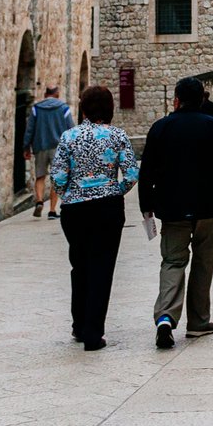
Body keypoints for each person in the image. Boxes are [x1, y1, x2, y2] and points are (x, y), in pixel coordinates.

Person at [139, 77, 213, 351]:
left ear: (176, 100)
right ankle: (198, 322)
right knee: (203, 261)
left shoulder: (160, 128)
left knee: (172, 262)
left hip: (172, 210)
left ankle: (165, 317)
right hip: (209, 209)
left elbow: (146, 171)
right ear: (201, 100)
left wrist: (146, 205)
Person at [49, 85, 138, 351]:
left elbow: (58, 177)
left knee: (80, 265)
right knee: (102, 267)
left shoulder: (69, 137)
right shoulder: (117, 136)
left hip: (75, 210)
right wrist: (114, 190)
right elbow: (132, 174)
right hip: (108, 208)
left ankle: (79, 325)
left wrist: (70, 194)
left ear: (84, 109)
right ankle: (93, 332)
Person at [22, 86, 75, 219]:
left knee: (40, 176)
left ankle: (39, 201)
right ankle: (52, 210)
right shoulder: (64, 108)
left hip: (40, 146)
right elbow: (71, 128)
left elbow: (29, 129)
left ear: (45, 94)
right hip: (59, 148)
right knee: (56, 179)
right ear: (57, 94)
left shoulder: (36, 108)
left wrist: (26, 147)